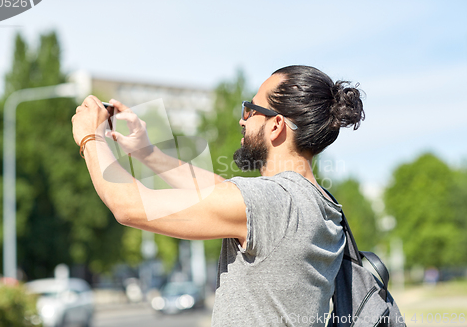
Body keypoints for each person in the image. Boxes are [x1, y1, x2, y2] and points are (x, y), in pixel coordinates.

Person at [71, 65, 365, 326]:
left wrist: (90, 137)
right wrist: (147, 152)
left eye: (250, 110)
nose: (242, 120)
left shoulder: (275, 201)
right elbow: (220, 192)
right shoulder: (319, 203)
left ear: (276, 125)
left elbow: (130, 206)